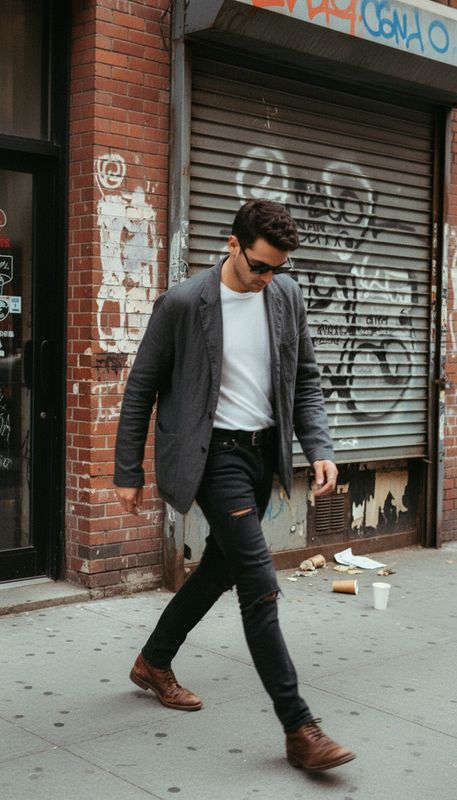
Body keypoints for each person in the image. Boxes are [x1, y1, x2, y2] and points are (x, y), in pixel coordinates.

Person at [113, 199, 355, 773]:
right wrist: (128, 471)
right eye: (260, 266)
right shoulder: (183, 303)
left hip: (259, 456)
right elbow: (142, 385)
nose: (269, 278)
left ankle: (153, 661)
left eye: (279, 268)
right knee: (258, 582)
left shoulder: (285, 295)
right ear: (231, 245)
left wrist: (319, 448)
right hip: (212, 455)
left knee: (221, 569)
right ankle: (300, 727)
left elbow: (307, 380)